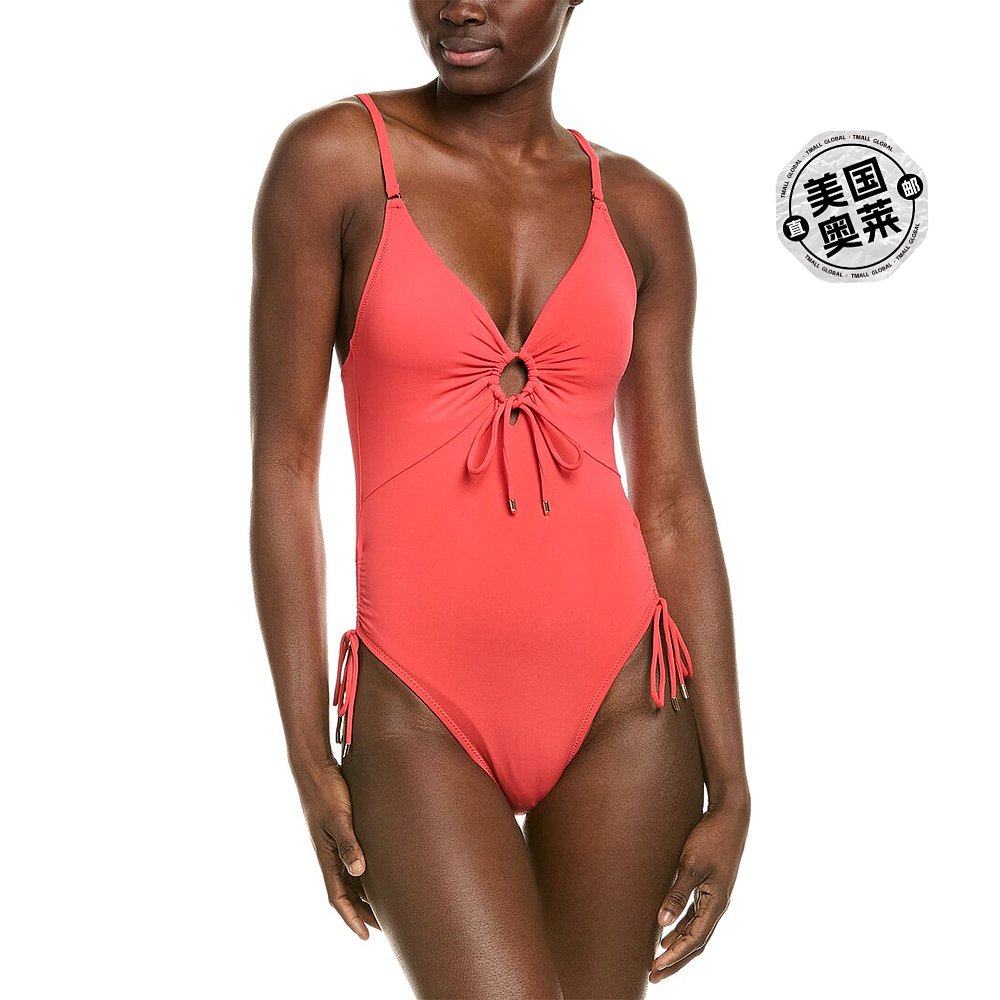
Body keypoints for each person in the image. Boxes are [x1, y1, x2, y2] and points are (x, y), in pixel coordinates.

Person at [250, 2, 749, 996]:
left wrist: (732, 783)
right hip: (417, 704)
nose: (458, 4)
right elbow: (286, 469)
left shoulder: (641, 208)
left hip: (626, 702)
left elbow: (673, 499)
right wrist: (307, 752)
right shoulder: (337, 162)